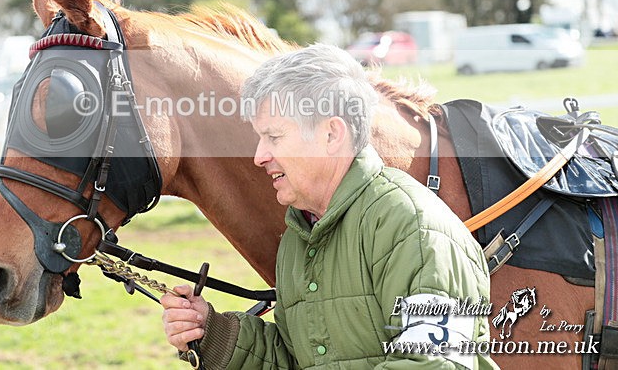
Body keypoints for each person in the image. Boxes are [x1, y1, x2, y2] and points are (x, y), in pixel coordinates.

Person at [161, 44, 496, 369]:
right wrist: (212, 335)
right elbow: (298, 358)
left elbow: (435, 363)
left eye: (274, 137)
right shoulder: (299, 237)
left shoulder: (414, 228)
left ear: (332, 134)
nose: (259, 156)